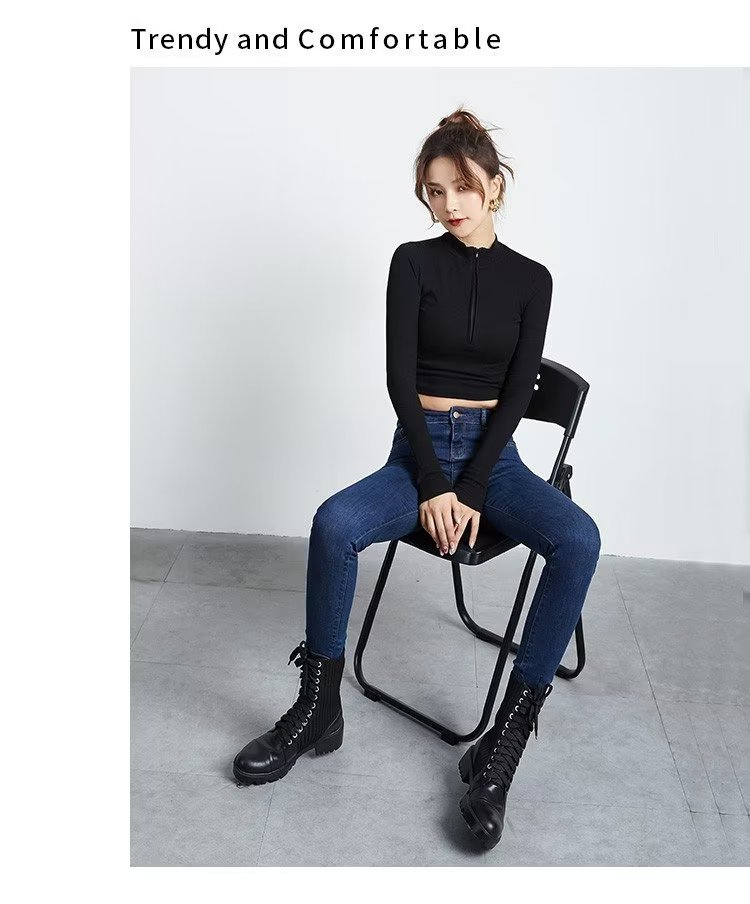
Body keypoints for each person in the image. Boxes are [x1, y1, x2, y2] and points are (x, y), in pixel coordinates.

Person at [232, 108, 601, 852]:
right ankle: (317, 710)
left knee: (579, 539)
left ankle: (501, 747)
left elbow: (519, 389)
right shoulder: (412, 262)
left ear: (495, 187)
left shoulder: (532, 280)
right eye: (435, 191)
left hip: (494, 461)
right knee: (335, 523)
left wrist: (472, 488)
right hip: (420, 453)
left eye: (462, 187)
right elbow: (400, 378)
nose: (449, 204)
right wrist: (433, 482)